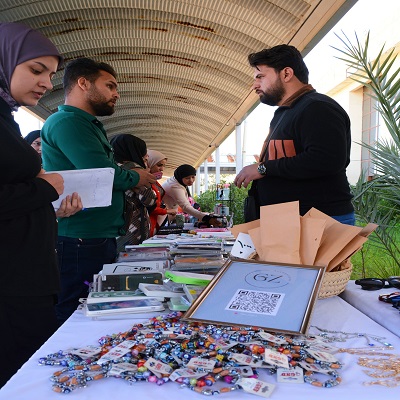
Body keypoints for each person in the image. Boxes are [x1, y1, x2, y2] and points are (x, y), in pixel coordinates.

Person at [41, 57, 156, 324]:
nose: (116, 94)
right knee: (76, 311)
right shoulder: (69, 123)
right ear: (83, 83)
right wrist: (136, 176)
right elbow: (102, 173)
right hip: (81, 239)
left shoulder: (86, 124)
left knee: (91, 306)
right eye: (110, 86)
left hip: (93, 237)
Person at [0, 22, 80, 388]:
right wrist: (45, 189)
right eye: (36, 70)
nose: (47, 83)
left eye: (50, 74)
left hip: (26, 274)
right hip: (11, 284)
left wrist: (48, 207)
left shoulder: (7, 119)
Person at [234, 44, 355, 225]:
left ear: (286, 74)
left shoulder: (317, 107)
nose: (255, 85)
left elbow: (326, 159)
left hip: (319, 221)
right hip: (293, 223)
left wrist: (262, 168)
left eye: (260, 77)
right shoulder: (284, 113)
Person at [110, 134, 156, 251]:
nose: (147, 156)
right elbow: (149, 200)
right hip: (132, 227)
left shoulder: (111, 168)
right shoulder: (134, 169)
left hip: (114, 225)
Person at [146, 149, 177, 235]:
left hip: (154, 222)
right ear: (149, 163)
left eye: (163, 166)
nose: (162, 169)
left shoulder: (154, 182)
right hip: (147, 223)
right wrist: (167, 211)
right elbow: (150, 206)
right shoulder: (144, 184)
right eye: (159, 165)